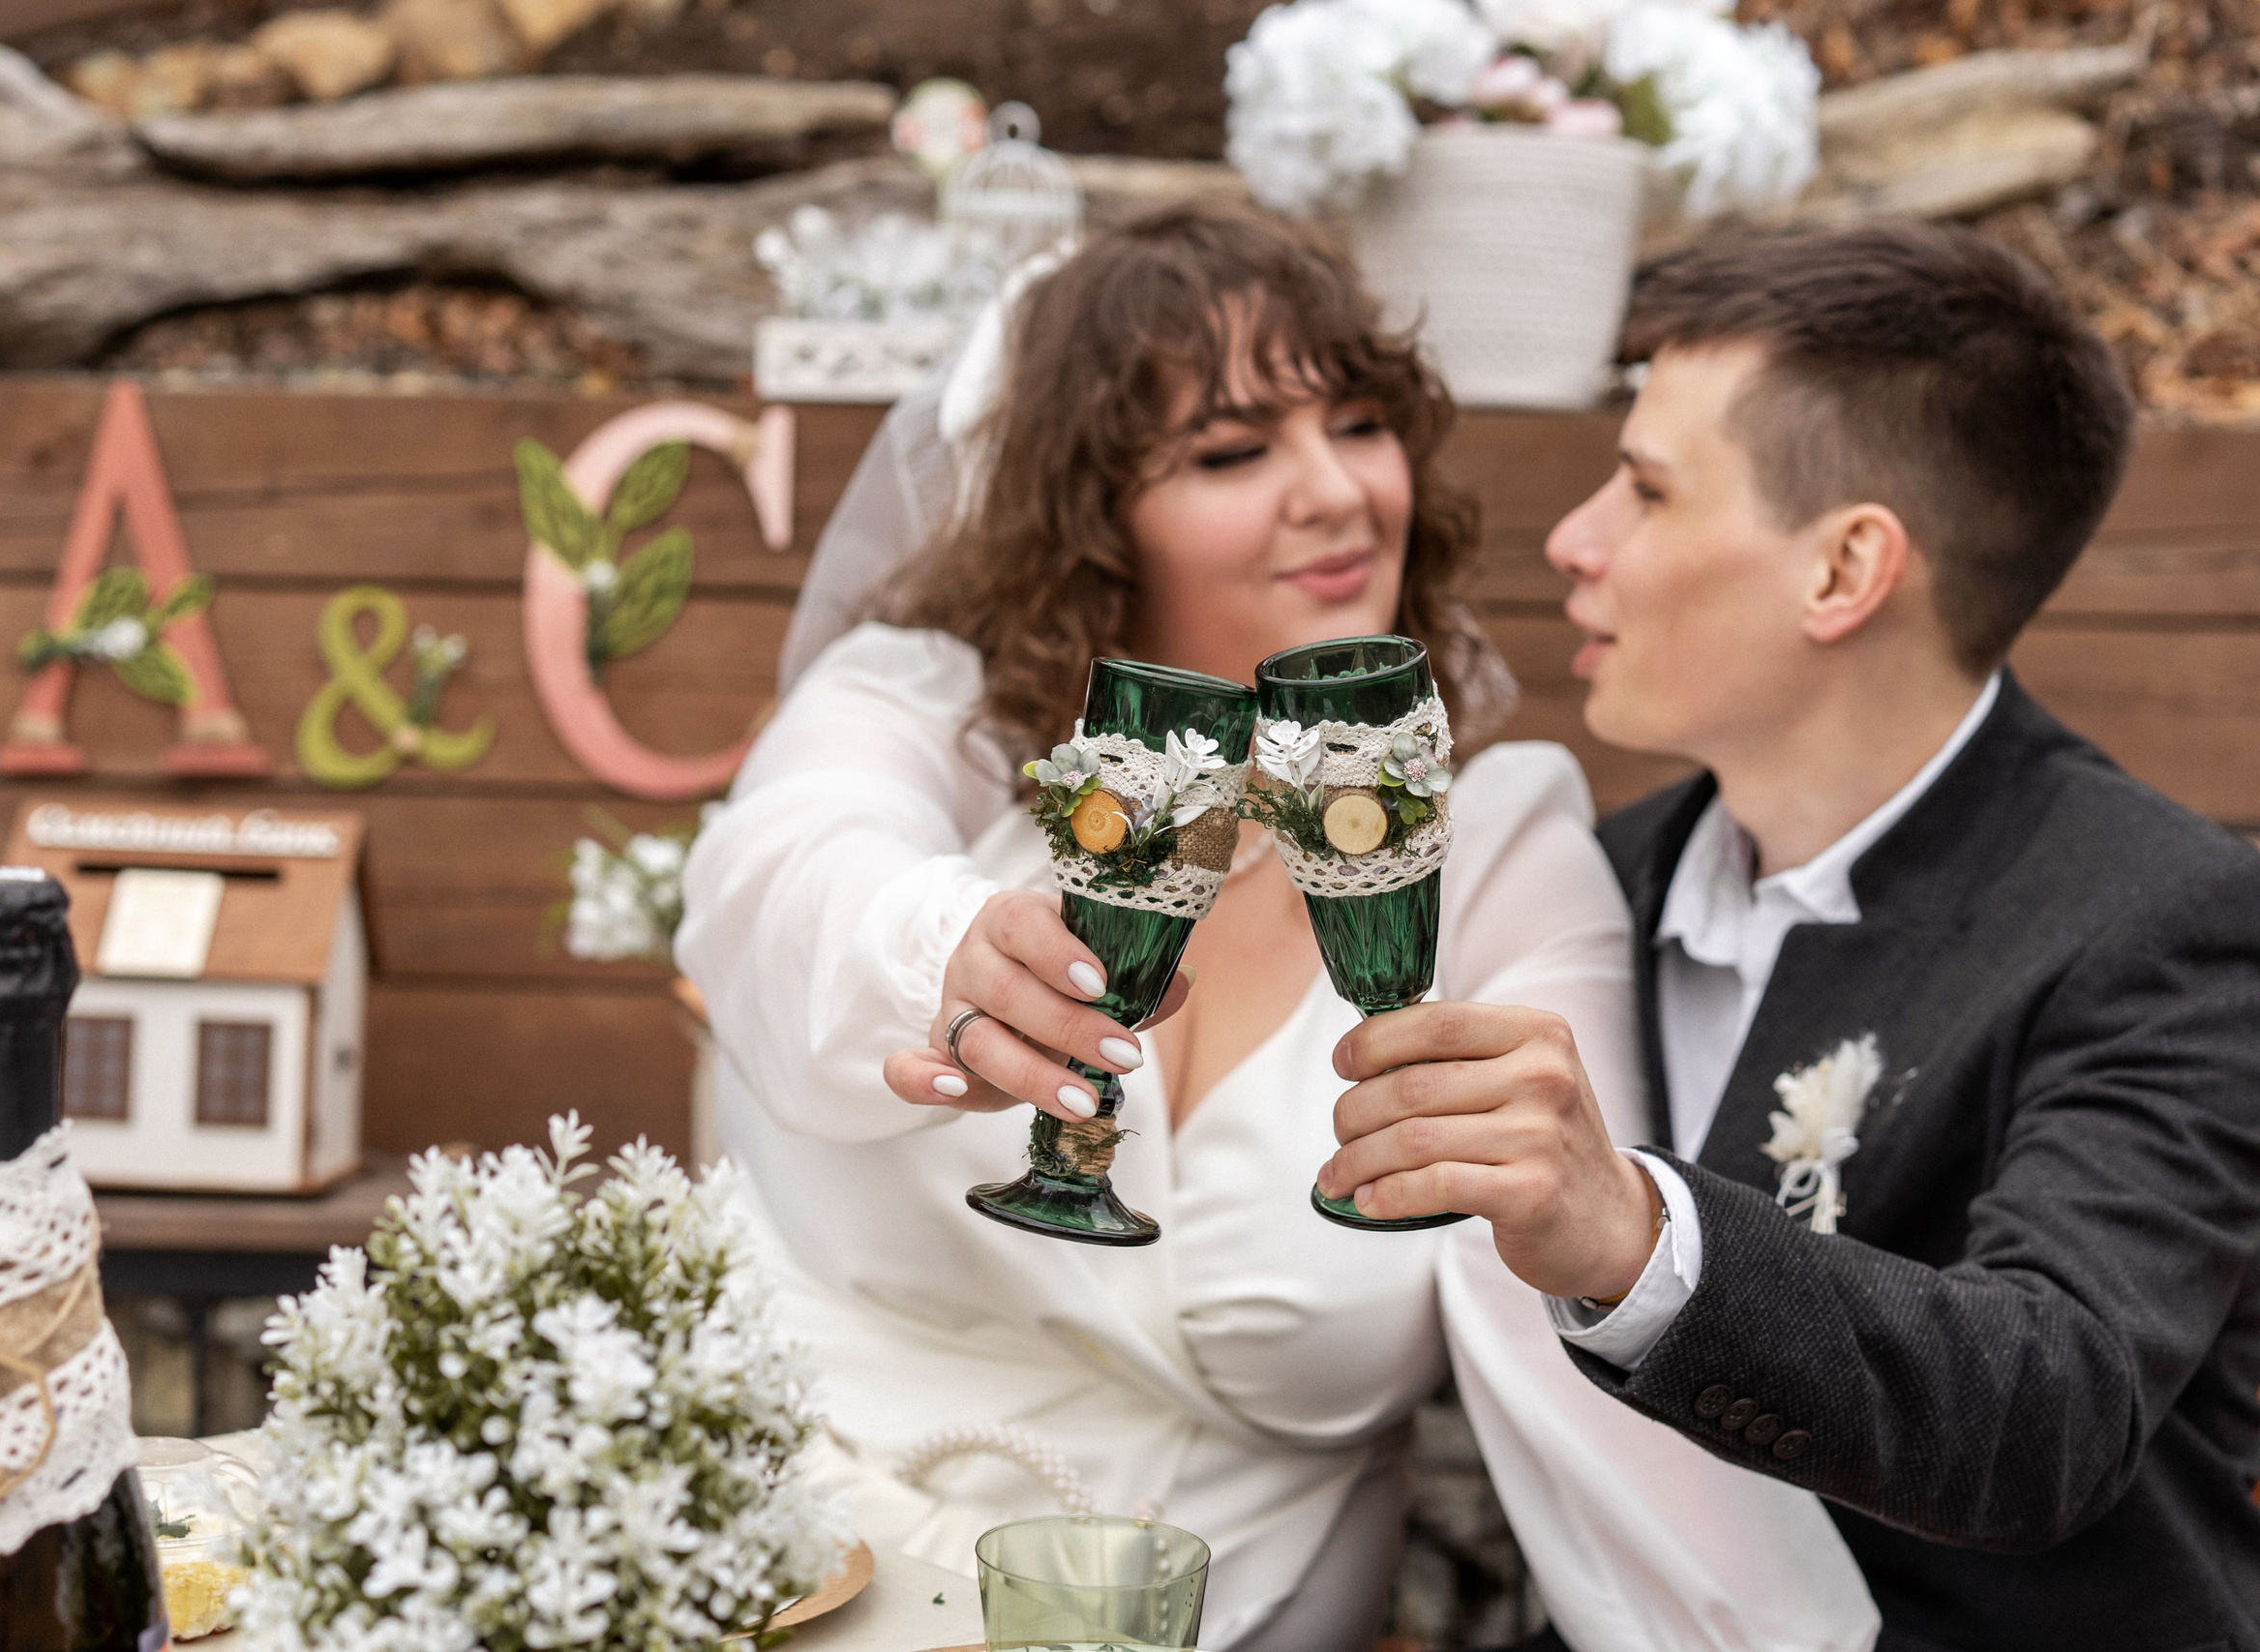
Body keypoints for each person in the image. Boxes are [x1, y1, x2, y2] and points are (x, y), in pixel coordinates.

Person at [682, 201, 1877, 1652]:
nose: (1336, 493)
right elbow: (785, 874)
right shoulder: (927, 708)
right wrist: (948, 949)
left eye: (1360, 424)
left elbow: (1566, 1288)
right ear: (1088, 512)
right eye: (1232, 452)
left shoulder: (1489, 850)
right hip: (758, 1553)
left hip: (1218, 1600)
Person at [1314, 222, 2260, 1652]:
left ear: (1844, 572)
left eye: (1643, 490)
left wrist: (1632, 1230)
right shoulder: (1598, 883)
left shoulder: (2162, 919)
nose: (1572, 542)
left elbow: (2050, 1406)